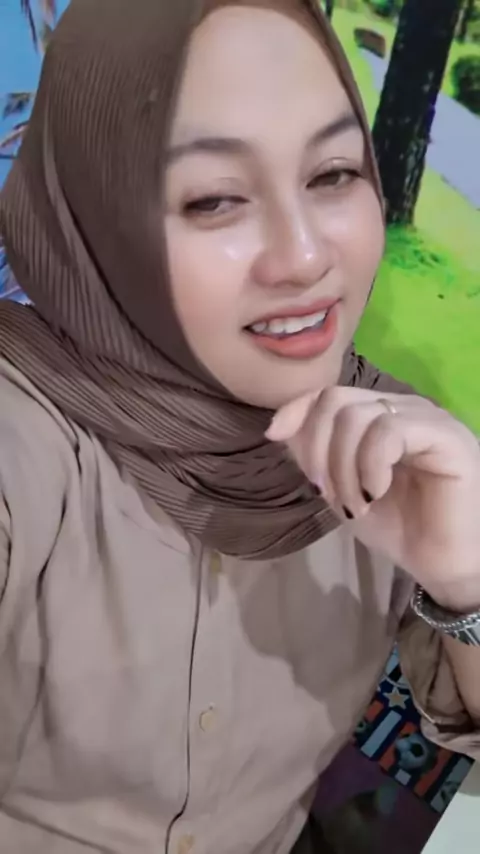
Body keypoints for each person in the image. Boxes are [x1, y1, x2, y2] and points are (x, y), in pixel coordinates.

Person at [0, 1, 479, 852]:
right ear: (99, 211)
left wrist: (469, 582)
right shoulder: (27, 434)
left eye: (333, 174)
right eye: (215, 199)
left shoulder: (392, 451)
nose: (305, 256)